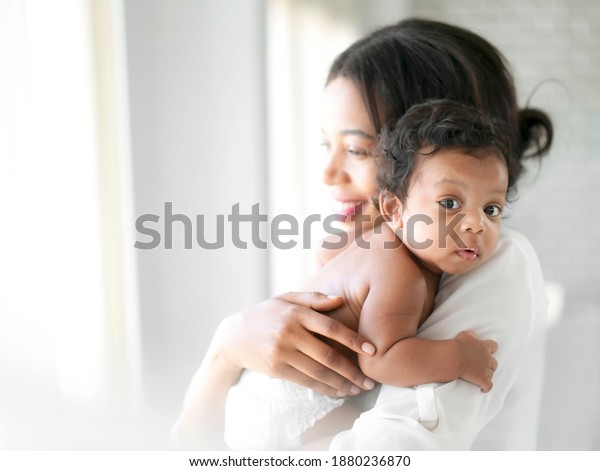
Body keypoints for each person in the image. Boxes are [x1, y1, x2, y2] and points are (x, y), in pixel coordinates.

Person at [172, 18, 553, 450]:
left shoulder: (494, 262)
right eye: (325, 145)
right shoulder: (374, 255)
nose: (329, 174)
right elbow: (192, 446)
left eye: (355, 150)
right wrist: (226, 349)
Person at [224, 99, 507, 450]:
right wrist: (460, 356)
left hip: (259, 391)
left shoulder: (387, 244)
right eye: (449, 203)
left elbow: (327, 251)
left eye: (492, 209)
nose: (476, 224)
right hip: (280, 408)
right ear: (394, 209)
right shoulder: (399, 272)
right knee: (356, 444)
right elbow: (382, 359)